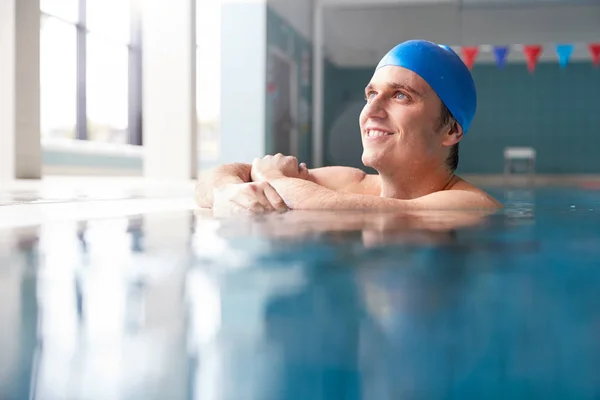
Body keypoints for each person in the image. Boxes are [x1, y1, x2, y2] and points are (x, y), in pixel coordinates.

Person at [196, 40, 502, 214]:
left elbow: (328, 208)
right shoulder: (348, 182)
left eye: (400, 95)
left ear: (451, 130)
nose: (371, 110)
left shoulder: (471, 205)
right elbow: (212, 179)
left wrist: (273, 178)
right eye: (371, 94)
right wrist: (226, 191)